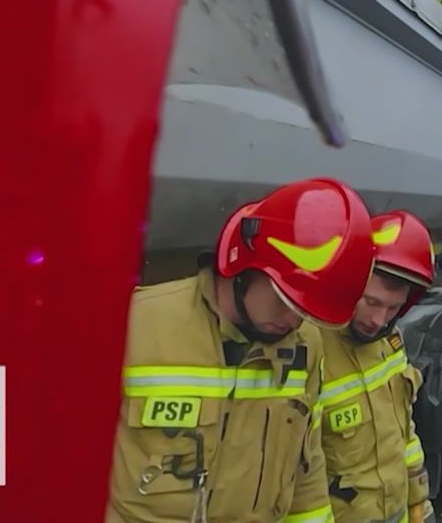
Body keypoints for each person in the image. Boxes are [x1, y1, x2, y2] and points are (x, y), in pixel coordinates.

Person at [107, 178, 377, 523]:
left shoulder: (306, 345)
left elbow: (306, 468)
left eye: (306, 310)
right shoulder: (137, 323)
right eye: (284, 299)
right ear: (246, 264)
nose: (294, 322)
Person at [319, 211, 436, 523]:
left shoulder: (390, 341)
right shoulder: (309, 348)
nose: (378, 320)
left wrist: (419, 505)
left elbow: (404, 432)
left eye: (393, 308)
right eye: (371, 302)